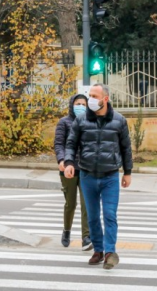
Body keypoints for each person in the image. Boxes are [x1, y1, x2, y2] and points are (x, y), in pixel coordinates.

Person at [64, 83, 133, 270]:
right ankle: (98, 250)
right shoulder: (81, 120)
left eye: (95, 96)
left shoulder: (119, 121)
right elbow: (71, 144)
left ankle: (110, 252)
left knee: (110, 215)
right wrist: (69, 162)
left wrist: (127, 172)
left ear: (105, 99)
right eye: (90, 96)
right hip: (87, 175)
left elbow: (126, 148)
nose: (90, 100)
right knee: (93, 217)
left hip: (110, 176)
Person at [54, 94, 93, 251]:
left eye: (84, 104)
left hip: (85, 169)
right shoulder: (64, 122)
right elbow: (58, 144)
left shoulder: (90, 122)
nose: (81, 107)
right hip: (68, 169)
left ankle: (86, 237)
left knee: (86, 204)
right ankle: (66, 231)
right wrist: (61, 160)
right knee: (71, 203)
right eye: (78, 103)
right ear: (72, 105)